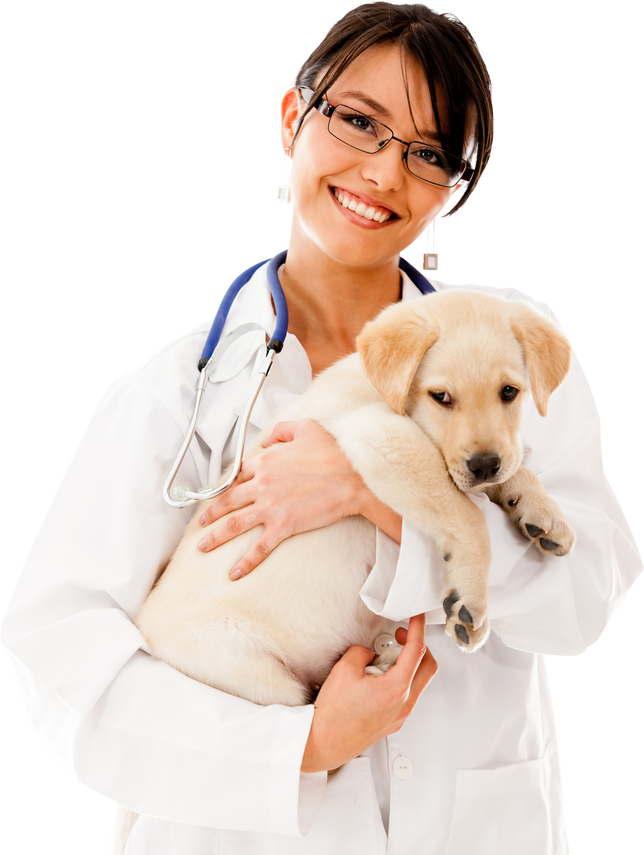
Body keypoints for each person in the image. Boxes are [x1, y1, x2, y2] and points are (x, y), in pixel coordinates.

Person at [2, 4, 641, 854]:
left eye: (429, 151)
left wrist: (370, 493)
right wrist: (297, 748)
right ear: (292, 120)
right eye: (359, 121)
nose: (383, 172)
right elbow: (58, 654)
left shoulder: (511, 371)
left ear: (453, 186)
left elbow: (581, 601)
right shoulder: (165, 395)